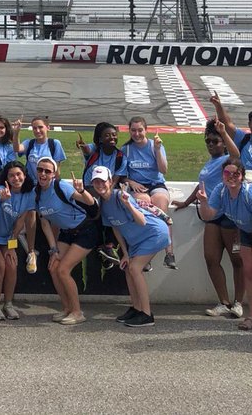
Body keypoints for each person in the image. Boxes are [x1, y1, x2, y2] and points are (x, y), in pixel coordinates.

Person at [199, 150, 252, 334]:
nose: (231, 178)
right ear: (222, 175)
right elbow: (209, 216)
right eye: (227, 174)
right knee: (250, 274)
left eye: (236, 174)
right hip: (247, 231)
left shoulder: (251, 195)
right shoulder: (221, 191)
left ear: (242, 176)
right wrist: (204, 202)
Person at [172, 124, 243, 319]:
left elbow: (236, 154)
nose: (211, 144)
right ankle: (223, 302)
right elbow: (202, 186)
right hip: (212, 216)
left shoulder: (226, 161)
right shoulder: (210, 162)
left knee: (237, 260)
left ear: (223, 143)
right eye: (208, 141)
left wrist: (223, 133)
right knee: (211, 259)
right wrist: (186, 202)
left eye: (215, 141)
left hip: (229, 215)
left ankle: (238, 303)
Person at [91, 165, 168, 327]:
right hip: (137, 240)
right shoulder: (103, 204)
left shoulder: (121, 196)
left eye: (103, 181)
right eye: (96, 182)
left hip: (154, 233)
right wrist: (125, 253)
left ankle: (147, 315)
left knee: (135, 269)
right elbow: (116, 228)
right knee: (127, 267)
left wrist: (129, 205)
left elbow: (142, 221)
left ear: (110, 181)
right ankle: (136, 308)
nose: (100, 185)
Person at [32, 155, 97, 326]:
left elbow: (89, 202)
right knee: (53, 267)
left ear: (54, 174)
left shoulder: (61, 186)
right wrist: (53, 249)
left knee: (63, 270)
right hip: (66, 234)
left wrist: (81, 190)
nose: (43, 174)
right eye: (40, 170)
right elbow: (45, 222)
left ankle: (77, 312)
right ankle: (67, 308)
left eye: (47, 171)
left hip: (85, 231)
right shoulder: (37, 193)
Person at [115, 116, 177, 269]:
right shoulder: (126, 149)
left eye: (140, 130)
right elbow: (121, 176)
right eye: (133, 130)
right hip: (137, 186)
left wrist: (157, 149)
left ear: (146, 130)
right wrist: (132, 182)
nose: (137, 134)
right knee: (144, 204)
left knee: (161, 204)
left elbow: (164, 170)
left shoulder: (154, 145)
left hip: (156, 183)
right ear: (129, 131)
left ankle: (169, 252)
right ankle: (145, 254)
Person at [16, 115, 64, 274]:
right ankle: (31, 252)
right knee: (30, 213)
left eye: (40, 127)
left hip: (48, 186)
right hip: (32, 187)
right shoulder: (29, 143)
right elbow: (17, 150)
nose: (37, 131)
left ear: (47, 128)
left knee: (53, 215)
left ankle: (55, 249)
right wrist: (16, 133)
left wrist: (56, 189)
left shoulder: (54, 144)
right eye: (34, 128)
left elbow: (57, 169)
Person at [0, 160, 31, 321]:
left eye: (19, 174)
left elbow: (20, 221)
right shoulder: (0, 190)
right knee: (0, 265)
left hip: (8, 237)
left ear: (25, 176)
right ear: (6, 178)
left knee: (12, 265)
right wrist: (0, 199)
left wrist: (12, 245)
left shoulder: (28, 195)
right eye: (11, 175)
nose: (15, 178)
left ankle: (8, 304)